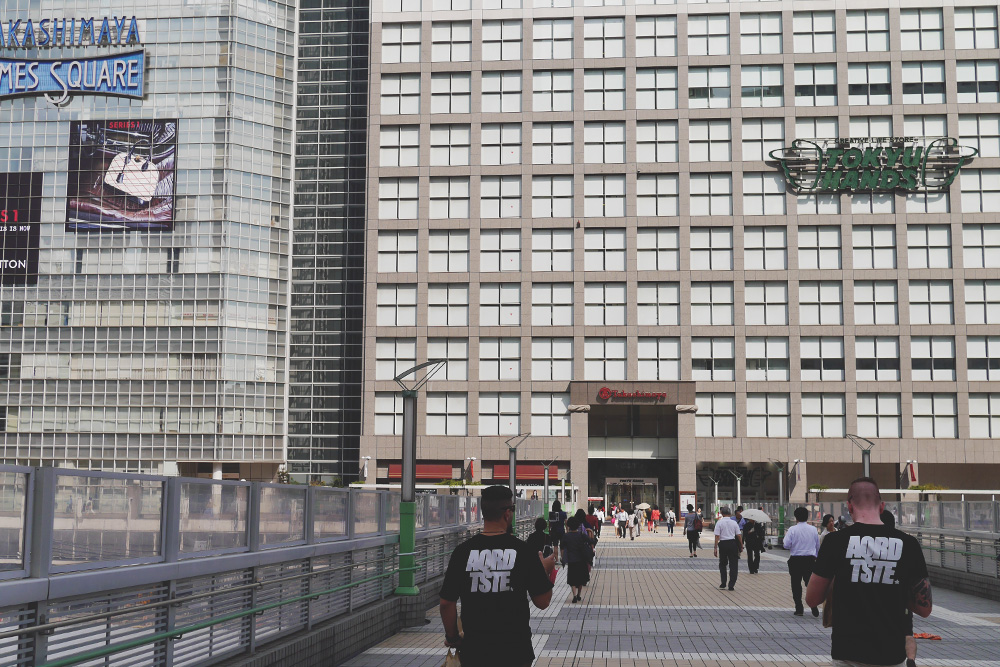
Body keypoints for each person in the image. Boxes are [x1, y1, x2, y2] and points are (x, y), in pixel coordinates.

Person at [807, 478, 931, 667]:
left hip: (848, 653)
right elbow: (924, 608)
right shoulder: (909, 544)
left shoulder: (834, 542)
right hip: (891, 655)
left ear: (849, 506)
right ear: (882, 506)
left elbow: (812, 599)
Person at [440, 485, 555, 667]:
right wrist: (545, 570)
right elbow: (543, 602)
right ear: (507, 513)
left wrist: (453, 637)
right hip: (516, 651)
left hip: (475, 651)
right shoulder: (523, 551)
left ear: (483, 512)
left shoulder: (462, 552)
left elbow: (446, 603)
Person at [784, 506, 821, 617]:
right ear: (807, 516)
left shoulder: (792, 530)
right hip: (810, 560)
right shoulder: (813, 529)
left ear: (796, 517)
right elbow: (817, 546)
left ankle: (799, 608)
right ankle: (813, 605)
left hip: (795, 560)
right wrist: (816, 557)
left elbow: (786, 545)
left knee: (796, 584)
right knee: (810, 584)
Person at [562, 516, 593, 603]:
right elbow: (591, 541)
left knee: (572, 579)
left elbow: (562, 547)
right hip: (581, 560)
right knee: (580, 579)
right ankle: (579, 595)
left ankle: (574, 595)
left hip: (571, 560)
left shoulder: (566, 536)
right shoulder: (581, 535)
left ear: (569, 525)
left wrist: (563, 558)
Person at [713, 505, 743, 590]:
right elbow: (739, 535)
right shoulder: (734, 523)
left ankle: (723, 583)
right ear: (730, 513)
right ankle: (731, 584)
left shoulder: (719, 523)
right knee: (733, 564)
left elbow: (717, 536)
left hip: (723, 544)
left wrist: (715, 548)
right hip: (732, 543)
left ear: (722, 513)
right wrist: (741, 545)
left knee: (723, 564)